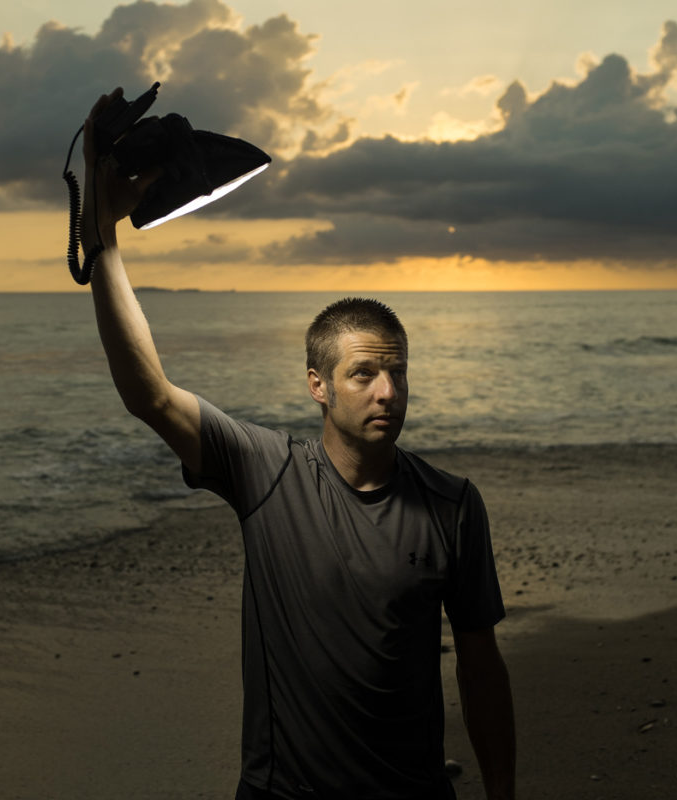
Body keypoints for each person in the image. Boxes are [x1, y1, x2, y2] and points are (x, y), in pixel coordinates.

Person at [81, 88, 516, 800]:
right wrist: (104, 240)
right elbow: (150, 393)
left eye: (397, 373)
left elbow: (480, 663)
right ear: (319, 385)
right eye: (364, 373)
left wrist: (503, 792)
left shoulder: (453, 506)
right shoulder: (267, 472)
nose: (387, 392)